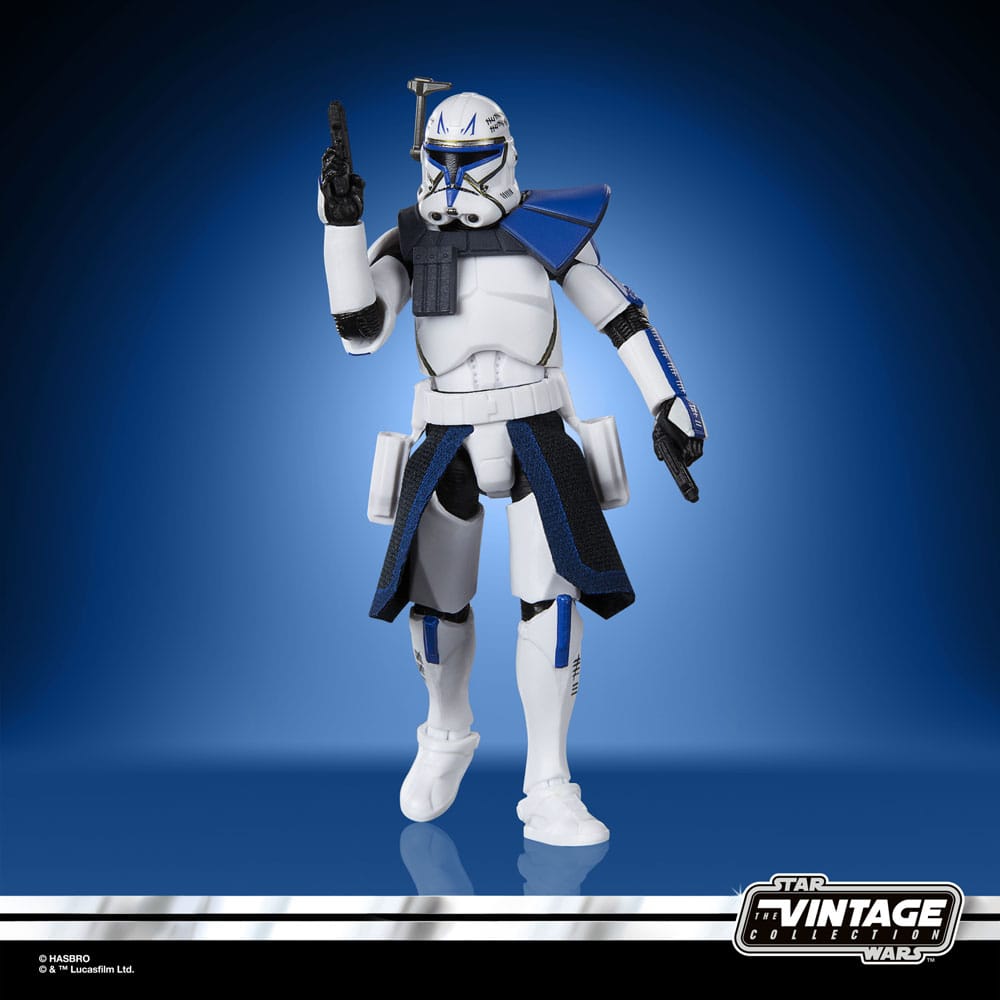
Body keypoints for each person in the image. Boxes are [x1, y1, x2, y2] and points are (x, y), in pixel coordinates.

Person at [319, 86, 706, 846]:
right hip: (448, 435)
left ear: (506, 155)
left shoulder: (546, 230)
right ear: (422, 157)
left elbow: (621, 315)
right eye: (441, 159)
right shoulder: (409, 240)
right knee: (436, 604)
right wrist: (340, 225)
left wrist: (670, 403)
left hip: (536, 428)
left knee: (550, 604)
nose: (455, 178)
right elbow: (359, 328)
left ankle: (549, 782)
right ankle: (445, 732)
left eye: (473, 159)